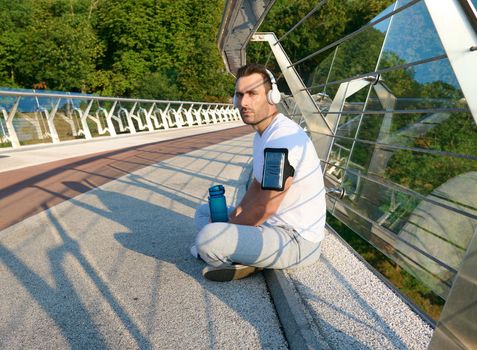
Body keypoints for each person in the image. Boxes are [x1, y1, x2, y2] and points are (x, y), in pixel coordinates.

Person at [192, 63, 326, 282]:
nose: (243, 103)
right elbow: (256, 185)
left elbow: (264, 207)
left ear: (271, 96)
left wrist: (226, 228)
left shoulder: (282, 141)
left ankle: (248, 260)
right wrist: (233, 217)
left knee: (208, 238)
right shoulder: (262, 136)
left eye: (252, 94)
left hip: (296, 241)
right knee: (203, 213)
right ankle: (248, 257)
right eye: (239, 95)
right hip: (271, 226)